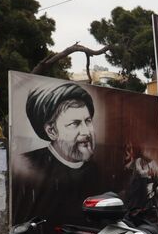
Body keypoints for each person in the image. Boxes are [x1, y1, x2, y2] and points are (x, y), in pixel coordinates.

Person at [13, 82, 99, 218]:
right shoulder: (26, 168)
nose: (86, 131)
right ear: (52, 131)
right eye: (74, 124)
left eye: (88, 121)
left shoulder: (96, 170)